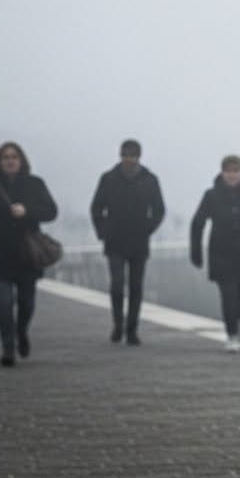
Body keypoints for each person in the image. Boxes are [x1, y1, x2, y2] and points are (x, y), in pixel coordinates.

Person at [0, 142, 59, 367]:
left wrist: (28, 211)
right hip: (0, 252)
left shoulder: (36, 184)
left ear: (21, 160)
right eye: (5, 157)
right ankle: (8, 347)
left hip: (28, 253)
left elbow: (51, 211)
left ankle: (21, 331)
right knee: (4, 303)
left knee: (27, 303)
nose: (10, 160)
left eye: (14, 156)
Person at [189, 155, 240, 353]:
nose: (232, 175)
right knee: (228, 296)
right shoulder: (211, 195)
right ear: (222, 173)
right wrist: (196, 251)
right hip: (221, 253)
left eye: (236, 171)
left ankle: (236, 320)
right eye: (228, 171)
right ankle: (232, 335)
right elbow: (197, 223)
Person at [89, 139, 166, 345]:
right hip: (115, 240)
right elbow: (97, 208)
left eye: (132, 156)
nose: (129, 160)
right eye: (126, 156)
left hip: (139, 241)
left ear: (139, 157)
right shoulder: (108, 179)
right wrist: (103, 231)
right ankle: (118, 323)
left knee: (136, 286)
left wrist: (147, 228)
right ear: (120, 156)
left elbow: (159, 209)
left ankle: (132, 329)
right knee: (117, 284)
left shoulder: (149, 180)